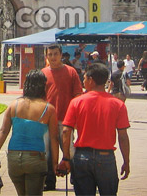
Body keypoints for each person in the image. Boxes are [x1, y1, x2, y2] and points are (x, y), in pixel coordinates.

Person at [57, 63, 130, 196]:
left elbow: (66, 131)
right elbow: (123, 136)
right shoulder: (118, 104)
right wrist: (126, 161)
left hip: (82, 157)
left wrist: (66, 158)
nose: (83, 81)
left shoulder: (77, 102)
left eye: (84, 78)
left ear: (91, 80)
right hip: (106, 157)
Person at [0, 70, 59, 196]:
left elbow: (3, 131)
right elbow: (54, 138)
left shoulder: (14, 105)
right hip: (35, 159)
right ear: (44, 86)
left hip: (14, 158)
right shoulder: (48, 109)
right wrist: (55, 163)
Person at [41, 43, 83, 191]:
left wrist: (76, 117)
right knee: (47, 151)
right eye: (50, 55)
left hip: (66, 120)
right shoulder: (43, 73)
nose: (53, 57)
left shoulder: (71, 72)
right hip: (46, 121)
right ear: (47, 56)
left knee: (69, 150)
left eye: (55, 54)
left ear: (61, 55)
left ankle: (75, 179)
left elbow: (78, 95)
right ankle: (49, 181)